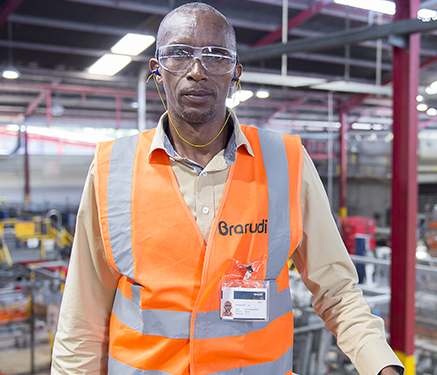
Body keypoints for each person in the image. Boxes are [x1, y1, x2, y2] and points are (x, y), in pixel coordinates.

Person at [51, 3, 404, 375]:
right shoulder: (113, 169)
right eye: (179, 54)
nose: (196, 71)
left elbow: (337, 291)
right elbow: (81, 321)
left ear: (235, 73)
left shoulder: (286, 162)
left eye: (216, 56)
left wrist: (383, 366)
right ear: (157, 70)